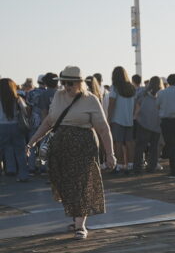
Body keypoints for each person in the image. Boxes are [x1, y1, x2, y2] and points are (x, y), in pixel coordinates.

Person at [26, 66, 116, 239]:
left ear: (80, 83)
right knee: (65, 183)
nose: (67, 86)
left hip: (84, 146)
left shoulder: (91, 100)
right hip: (60, 147)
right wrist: (32, 141)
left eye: (70, 83)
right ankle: (76, 218)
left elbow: (103, 129)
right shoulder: (58, 96)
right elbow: (48, 122)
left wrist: (110, 153)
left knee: (81, 184)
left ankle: (80, 226)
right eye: (64, 83)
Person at [106, 66, 136, 174]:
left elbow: (111, 104)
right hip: (129, 120)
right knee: (129, 143)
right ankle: (130, 165)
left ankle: (119, 166)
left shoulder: (114, 88)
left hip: (117, 119)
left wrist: (108, 119)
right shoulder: (132, 88)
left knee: (117, 143)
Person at [1, 78, 31, 181]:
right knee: (20, 152)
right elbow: (26, 111)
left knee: (4, 150)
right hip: (16, 126)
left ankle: (9, 170)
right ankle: (23, 175)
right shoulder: (17, 98)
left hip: (1, 127)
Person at [133, 76, 163, 173]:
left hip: (143, 123)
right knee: (154, 147)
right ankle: (152, 167)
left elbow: (137, 106)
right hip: (157, 124)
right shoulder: (162, 94)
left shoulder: (143, 93)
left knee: (140, 146)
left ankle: (137, 167)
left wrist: (135, 116)